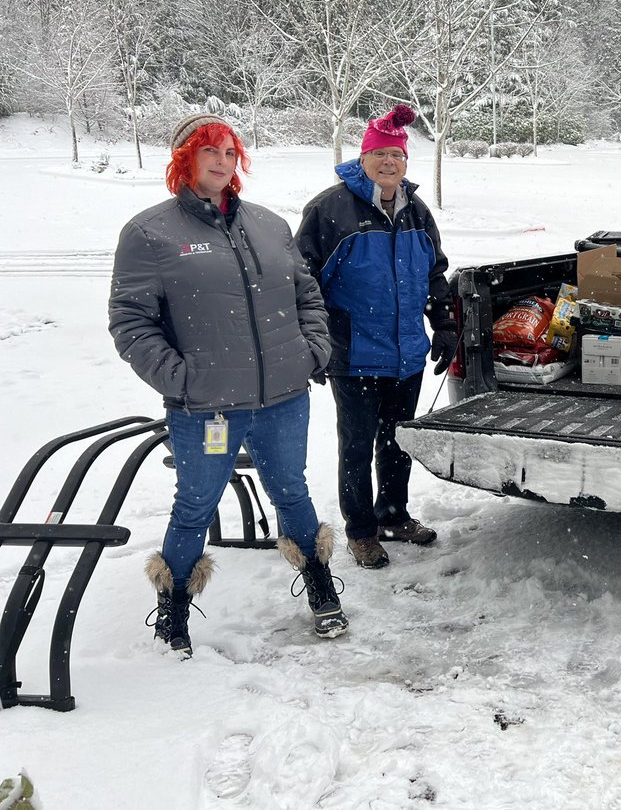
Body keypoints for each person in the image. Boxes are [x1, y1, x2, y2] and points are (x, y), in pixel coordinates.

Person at [109, 113, 349, 656]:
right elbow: (130, 321)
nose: (222, 161)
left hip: (283, 397)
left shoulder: (268, 224)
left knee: (291, 491)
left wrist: (312, 351)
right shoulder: (150, 233)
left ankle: (319, 584)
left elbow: (307, 294)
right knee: (195, 505)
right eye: (208, 151)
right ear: (184, 159)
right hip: (207, 408)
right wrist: (182, 379)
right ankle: (173, 613)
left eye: (229, 151)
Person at [297, 105, 454, 570]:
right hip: (354, 354)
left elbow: (434, 272)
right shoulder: (330, 210)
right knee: (357, 446)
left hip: (406, 354)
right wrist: (312, 345)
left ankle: (393, 516)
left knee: (397, 441)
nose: (389, 162)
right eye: (380, 154)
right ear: (362, 158)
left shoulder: (416, 211)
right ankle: (361, 531)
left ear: (406, 161)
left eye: (397, 155)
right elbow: (302, 283)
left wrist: (444, 323)